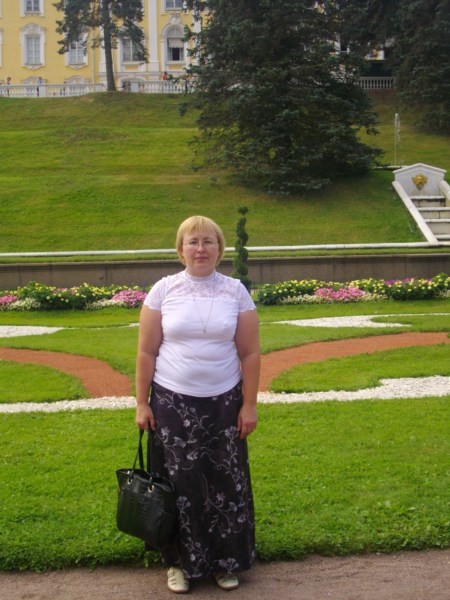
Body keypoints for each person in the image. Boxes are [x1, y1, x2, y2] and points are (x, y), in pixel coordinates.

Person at [136, 215, 260, 594]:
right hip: (171, 402)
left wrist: (249, 405)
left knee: (225, 482)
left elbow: (250, 353)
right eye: (192, 242)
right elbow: (146, 352)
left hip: (224, 402)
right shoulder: (163, 291)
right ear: (181, 249)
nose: (200, 249)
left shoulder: (236, 292)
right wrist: (141, 403)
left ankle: (224, 562)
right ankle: (177, 564)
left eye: (208, 241)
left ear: (220, 249)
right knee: (179, 485)